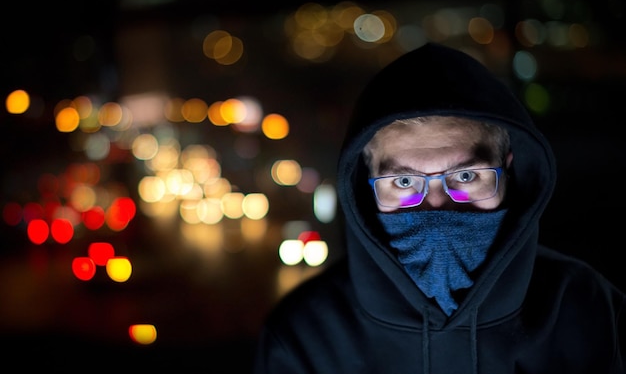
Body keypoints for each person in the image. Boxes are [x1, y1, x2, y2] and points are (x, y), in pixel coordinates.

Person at [252, 42, 626, 373]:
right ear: (366, 188)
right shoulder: (304, 335)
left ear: (507, 170)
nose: (436, 205)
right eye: (403, 182)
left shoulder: (588, 308)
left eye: (465, 177)